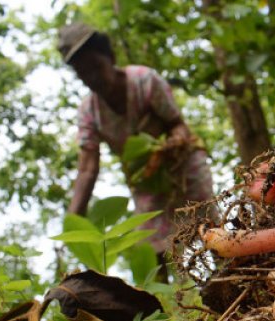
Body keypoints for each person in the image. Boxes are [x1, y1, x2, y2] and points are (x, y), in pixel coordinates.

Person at [57, 22, 215, 276]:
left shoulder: (144, 80)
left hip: (183, 165)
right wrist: (73, 221)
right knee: (151, 249)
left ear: (111, 58)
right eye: (84, 73)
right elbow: (87, 168)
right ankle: (161, 307)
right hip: (146, 179)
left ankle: (234, 283)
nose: (93, 78)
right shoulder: (89, 112)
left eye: (96, 66)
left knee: (209, 227)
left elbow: (177, 125)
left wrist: (171, 144)